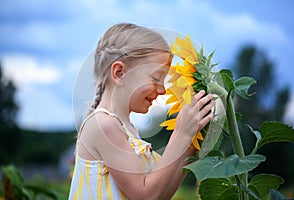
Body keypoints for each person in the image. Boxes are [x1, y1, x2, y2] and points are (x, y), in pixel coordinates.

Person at [68, 23, 214, 200]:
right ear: (120, 73)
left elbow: (161, 194)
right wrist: (181, 133)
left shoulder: (126, 129)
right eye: (155, 78)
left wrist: (190, 144)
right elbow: (146, 196)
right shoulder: (104, 125)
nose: (163, 90)